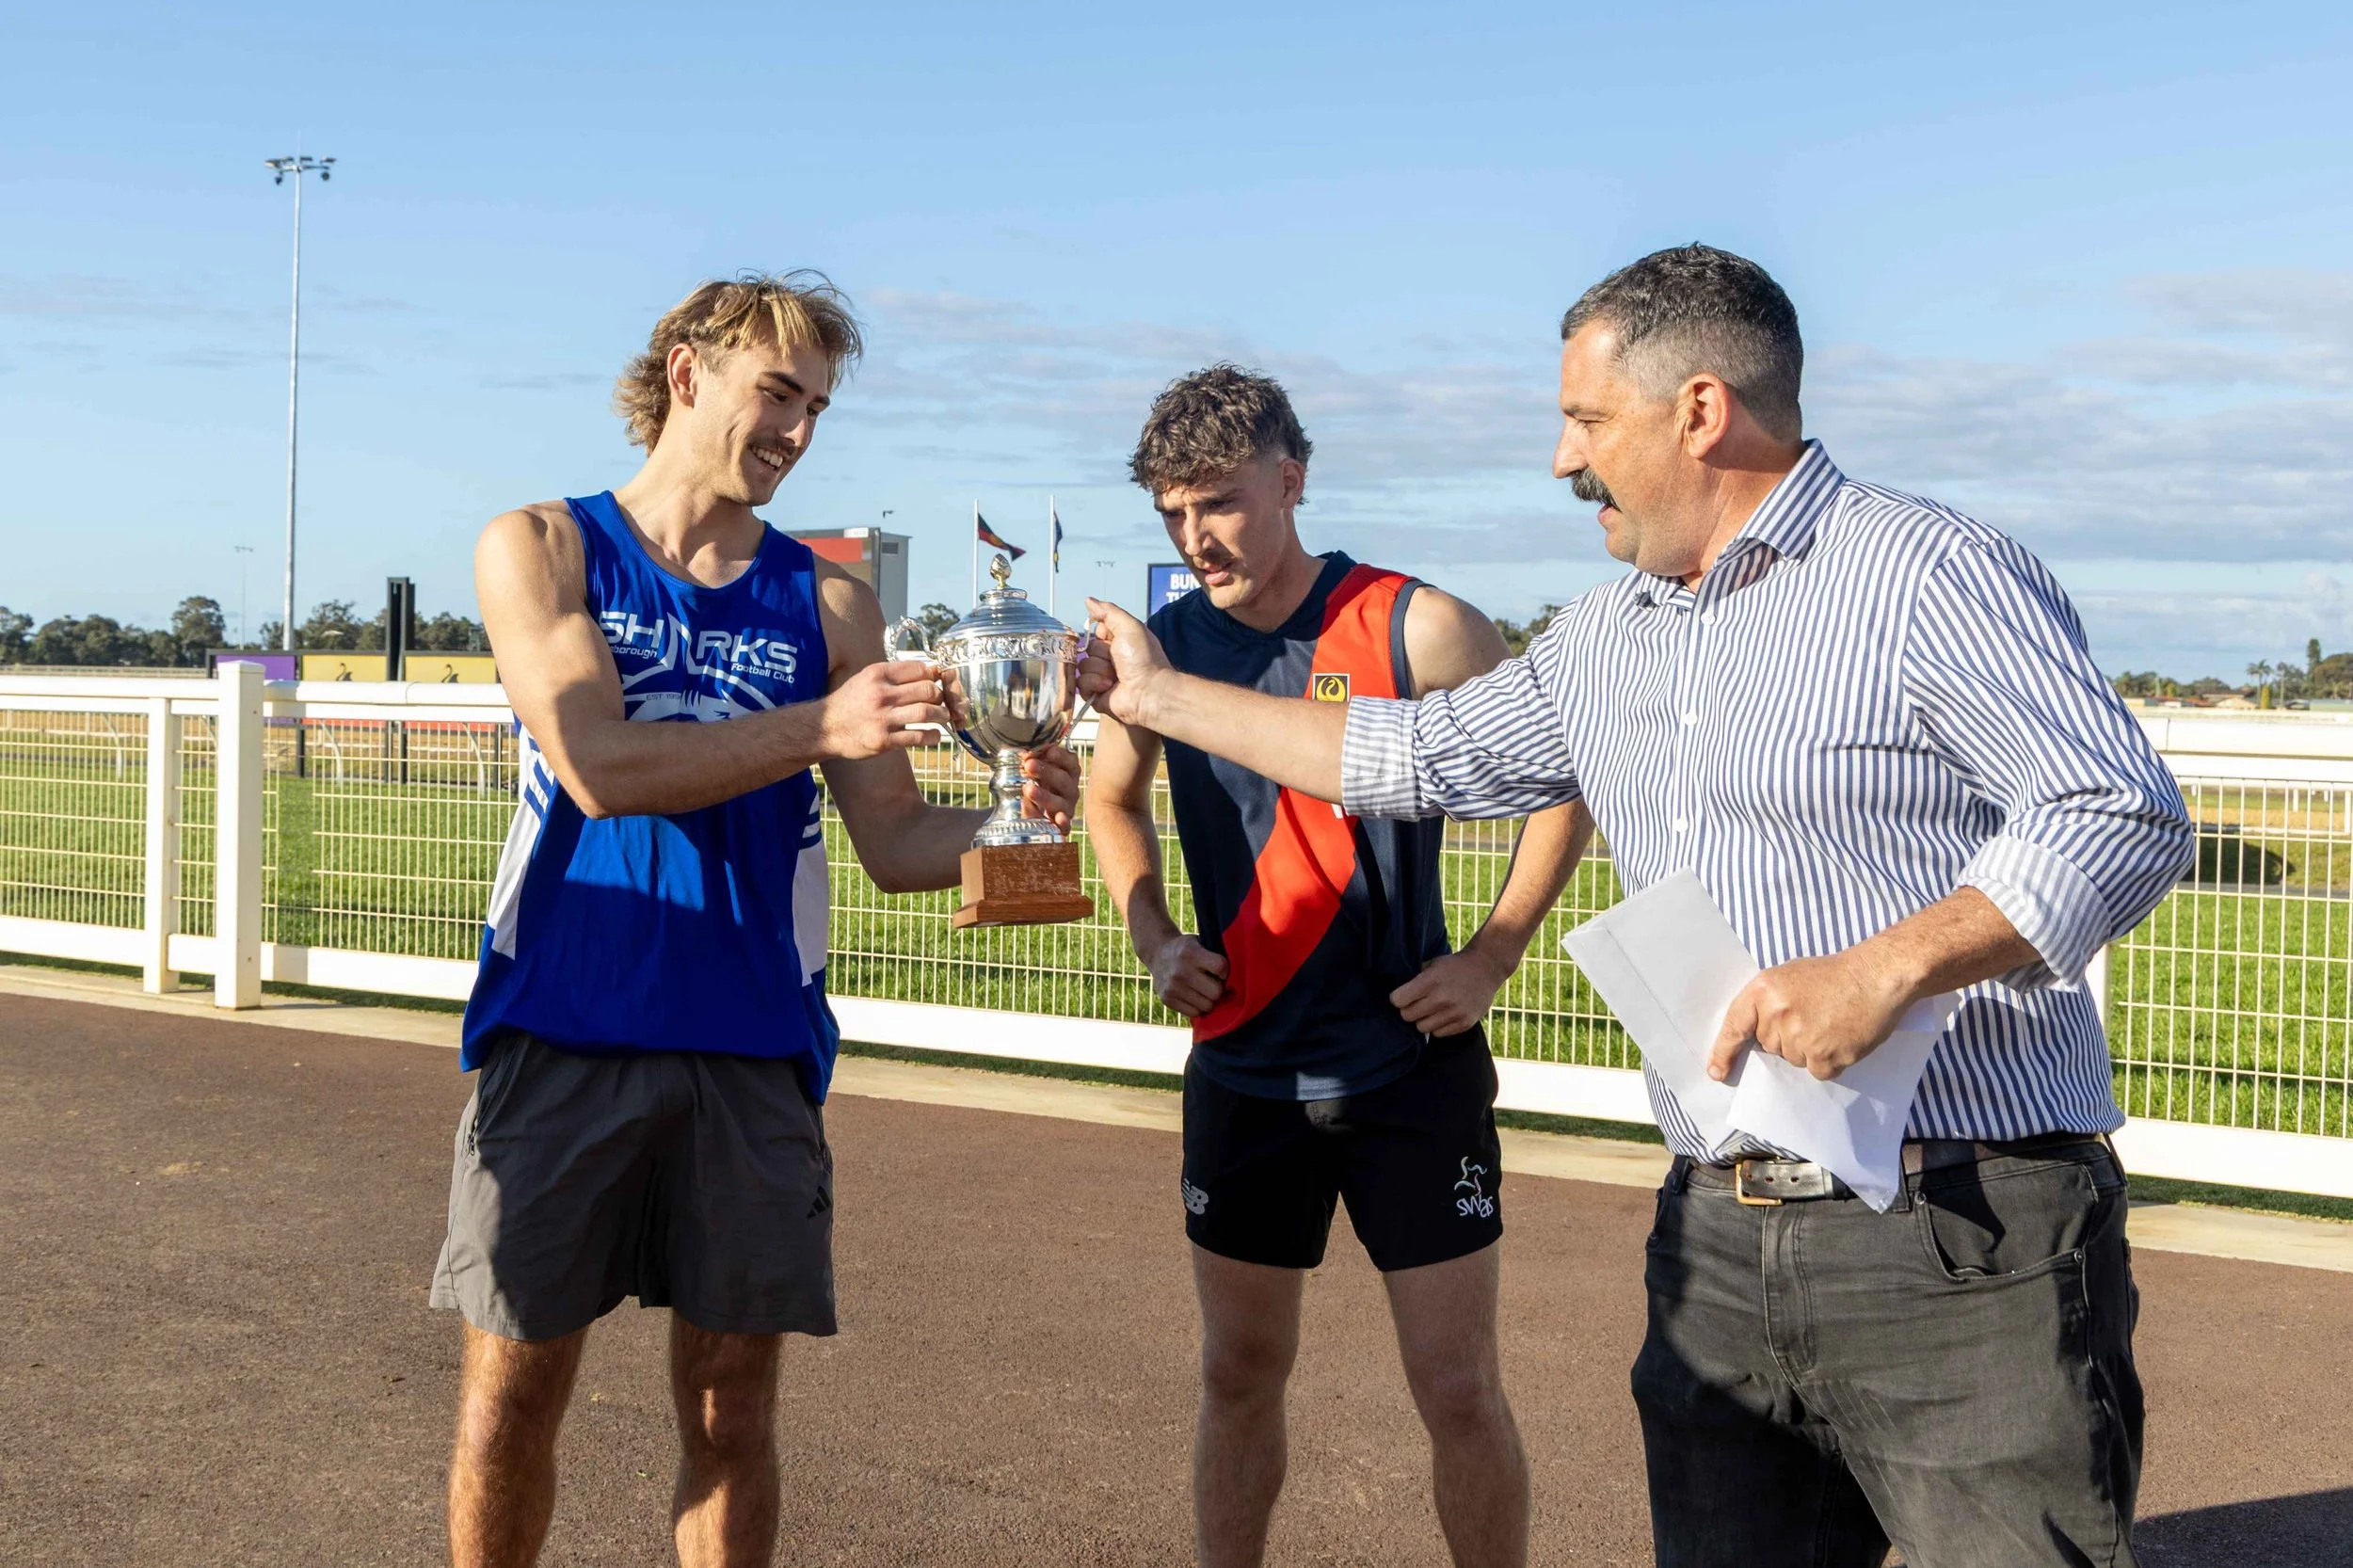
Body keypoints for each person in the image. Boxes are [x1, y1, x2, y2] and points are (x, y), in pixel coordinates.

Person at [1080, 248, 2194, 1567]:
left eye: (1587, 420)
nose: (1563, 458)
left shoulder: (1923, 570)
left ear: (1700, 410)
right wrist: (1151, 698)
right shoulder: (1607, 633)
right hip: (1719, 1235)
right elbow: (1408, 759)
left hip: (1962, 1229)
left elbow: (2121, 808)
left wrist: (1889, 967)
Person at [430, 272, 1080, 1568]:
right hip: (562, 1025)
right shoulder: (543, 544)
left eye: (817, 408)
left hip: (752, 1043)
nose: (796, 428)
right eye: (776, 392)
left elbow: (896, 842)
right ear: (687, 371)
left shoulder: (829, 601)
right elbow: (597, 764)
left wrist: (1027, 822)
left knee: (733, 1412)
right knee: (511, 1401)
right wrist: (817, 727)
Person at [1086, 365, 1591, 1568]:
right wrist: (1155, 935)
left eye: (1216, 501)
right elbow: (1112, 802)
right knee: (1236, 1373)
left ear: (1290, 478)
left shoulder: (1415, 622)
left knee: (1457, 1386)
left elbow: (1564, 776)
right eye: (1170, 513)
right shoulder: (1159, 657)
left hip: (1409, 1067)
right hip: (1245, 1065)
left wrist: (1492, 952)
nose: (1195, 536)